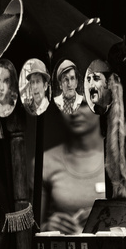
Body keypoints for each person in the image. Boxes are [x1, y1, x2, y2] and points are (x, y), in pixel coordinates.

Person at [41, 99, 105, 234]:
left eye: (83, 104)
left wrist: (106, 216)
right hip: (63, 246)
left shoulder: (118, 159)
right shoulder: (46, 162)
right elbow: (30, 229)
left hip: (111, 246)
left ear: (100, 106)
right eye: (68, 104)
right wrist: (47, 227)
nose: (74, 112)